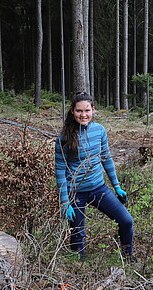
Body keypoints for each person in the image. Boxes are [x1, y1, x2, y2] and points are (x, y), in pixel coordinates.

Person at [55, 92, 134, 259]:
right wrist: (64, 202)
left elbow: (106, 158)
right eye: (79, 111)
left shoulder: (99, 130)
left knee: (126, 221)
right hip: (75, 193)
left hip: (99, 189)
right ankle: (78, 267)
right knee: (78, 235)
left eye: (87, 110)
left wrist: (117, 186)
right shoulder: (64, 137)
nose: (83, 115)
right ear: (72, 111)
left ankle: (128, 257)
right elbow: (60, 171)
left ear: (93, 110)